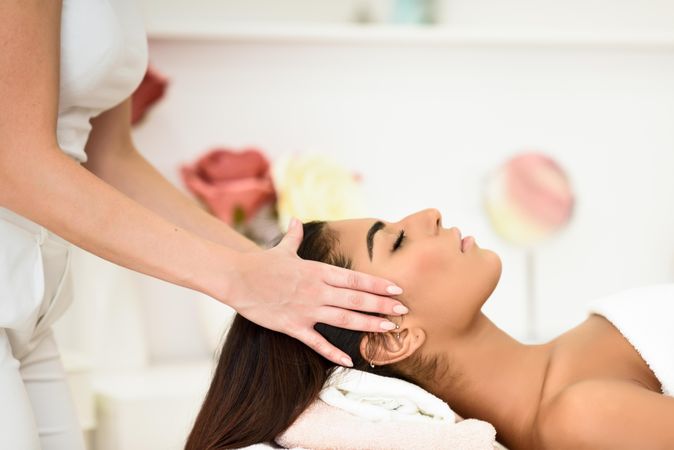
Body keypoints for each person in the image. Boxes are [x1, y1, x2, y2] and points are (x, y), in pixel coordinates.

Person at [0, 1, 408, 448]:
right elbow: (14, 163)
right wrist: (238, 278)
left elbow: (108, 158)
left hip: (33, 311)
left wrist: (274, 271)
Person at [187, 208, 674, 450]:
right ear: (391, 338)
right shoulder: (582, 416)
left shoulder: (575, 361)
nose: (429, 215)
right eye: (395, 241)